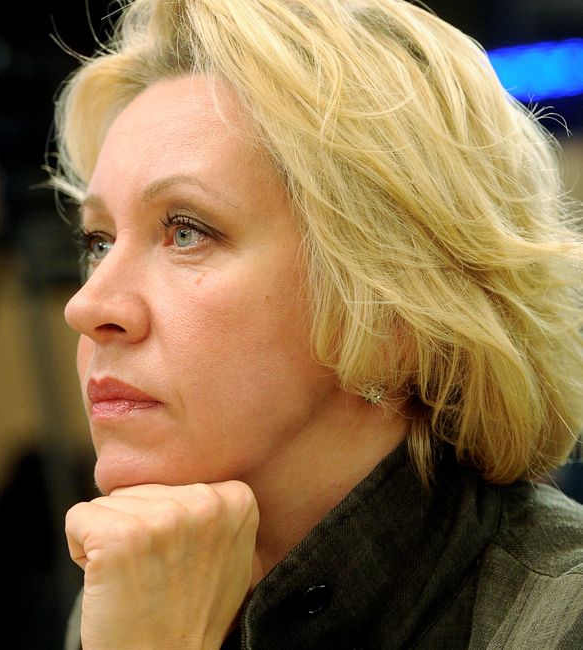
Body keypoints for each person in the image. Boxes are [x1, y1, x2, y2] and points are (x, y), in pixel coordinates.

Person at [50, 0, 583, 648]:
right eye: (99, 242)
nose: (88, 307)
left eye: (186, 231)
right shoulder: (141, 583)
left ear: (392, 305)